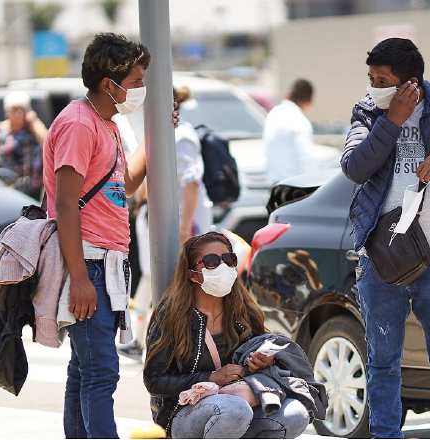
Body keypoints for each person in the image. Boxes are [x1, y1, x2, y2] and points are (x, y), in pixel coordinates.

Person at [340, 38, 430, 439]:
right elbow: (354, 167)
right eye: (371, 78)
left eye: (382, 79)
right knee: (382, 360)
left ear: (410, 82)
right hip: (382, 257)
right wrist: (392, 121)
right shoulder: (369, 112)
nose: (374, 86)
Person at [42, 33, 152, 439]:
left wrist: (158, 133)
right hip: (87, 262)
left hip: (106, 263)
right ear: (111, 83)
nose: (140, 90)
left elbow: (124, 186)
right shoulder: (77, 123)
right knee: (102, 372)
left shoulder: (106, 124)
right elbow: (67, 203)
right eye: (137, 82)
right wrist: (81, 279)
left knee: (85, 372)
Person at [143, 231, 311, 439]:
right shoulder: (171, 315)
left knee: (295, 414)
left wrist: (261, 361)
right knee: (234, 409)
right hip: (184, 412)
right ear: (192, 274)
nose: (223, 266)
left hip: (241, 399)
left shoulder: (243, 310)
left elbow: (255, 351)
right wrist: (210, 378)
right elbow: (154, 379)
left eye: (229, 259)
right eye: (212, 261)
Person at [118, 86, 213, 361]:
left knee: (181, 282)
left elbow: (191, 184)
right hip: (158, 219)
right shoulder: (158, 135)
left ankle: (181, 342)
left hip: (181, 223)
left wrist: (185, 230)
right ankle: (142, 338)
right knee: (154, 279)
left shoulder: (181, 136)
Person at [0, 91, 48, 199]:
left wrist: (34, 120)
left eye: (22, 110)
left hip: (29, 189)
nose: (18, 114)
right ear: (7, 112)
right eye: (14, 110)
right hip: (4, 187)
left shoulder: (32, 129)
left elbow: (47, 143)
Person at [263, 79, 314, 183]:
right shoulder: (299, 120)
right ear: (308, 101)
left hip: (273, 183)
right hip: (294, 186)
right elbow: (305, 158)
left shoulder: (273, 113)